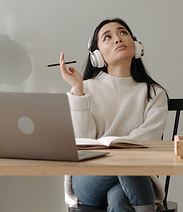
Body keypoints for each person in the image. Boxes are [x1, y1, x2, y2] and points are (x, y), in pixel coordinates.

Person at [60, 18, 168, 212]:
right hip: (89, 179)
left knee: (119, 197)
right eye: (107, 37)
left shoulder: (154, 93)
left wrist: (114, 151)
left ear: (136, 46)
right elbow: (82, 141)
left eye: (123, 33)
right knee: (128, 161)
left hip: (135, 176)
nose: (118, 39)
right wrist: (77, 90)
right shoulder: (85, 89)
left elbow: (148, 141)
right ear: (96, 56)